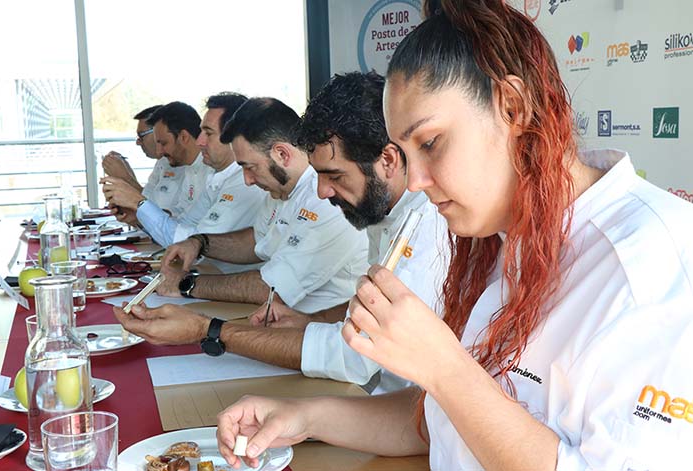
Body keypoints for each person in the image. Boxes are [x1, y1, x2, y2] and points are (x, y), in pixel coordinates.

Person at [211, 2, 693, 470]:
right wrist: (302, 416)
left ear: (512, 106)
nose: (416, 181)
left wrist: (445, 366)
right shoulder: (499, 242)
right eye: (404, 152)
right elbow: (441, 422)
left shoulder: (652, 266)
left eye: (431, 143)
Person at [245, 71, 448, 393]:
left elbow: (356, 356)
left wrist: (214, 333)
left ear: (388, 160)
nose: (324, 192)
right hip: (381, 401)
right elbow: (372, 310)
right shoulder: (381, 206)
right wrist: (309, 320)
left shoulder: (430, 227)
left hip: (408, 418)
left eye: (335, 176)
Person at [113, 97, 368, 343]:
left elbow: (270, 287)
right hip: (277, 325)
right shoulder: (281, 187)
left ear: (282, 154)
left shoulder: (325, 200)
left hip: (325, 342)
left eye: (250, 167)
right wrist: (200, 242)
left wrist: (186, 284)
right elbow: (256, 239)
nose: (247, 180)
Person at [121, 93, 266, 250]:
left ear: (234, 136)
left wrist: (139, 204)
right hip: (205, 270)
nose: (199, 141)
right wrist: (140, 217)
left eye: (208, 133)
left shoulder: (245, 182)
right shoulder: (216, 177)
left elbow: (191, 244)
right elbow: (183, 227)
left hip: (218, 272)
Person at [101, 101, 213, 223]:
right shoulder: (190, 168)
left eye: (163, 143)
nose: (159, 152)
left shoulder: (212, 169)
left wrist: (128, 185)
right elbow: (178, 217)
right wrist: (136, 215)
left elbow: (194, 229)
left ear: (184, 137)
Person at [101, 104, 162, 195]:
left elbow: (153, 207)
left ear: (158, 132)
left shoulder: (181, 167)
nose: (138, 142)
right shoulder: (162, 164)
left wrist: (125, 178)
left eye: (141, 136)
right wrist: (127, 173)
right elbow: (147, 199)